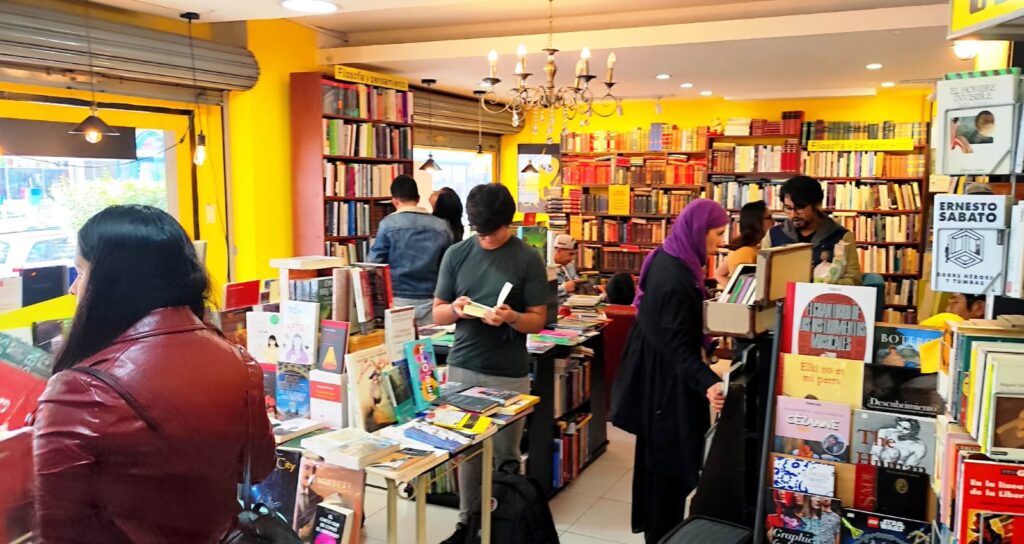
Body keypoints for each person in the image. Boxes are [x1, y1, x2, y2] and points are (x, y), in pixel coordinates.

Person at [32, 205, 274, 543]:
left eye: (81, 271)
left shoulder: (80, 391)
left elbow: (59, 531)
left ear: (112, 282)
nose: (74, 288)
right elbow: (258, 467)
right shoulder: (239, 363)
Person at [432, 183, 549, 544]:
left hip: (508, 372)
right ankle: (467, 525)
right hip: (463, 366)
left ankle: (505, 526)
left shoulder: (527, 258)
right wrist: (456, 309)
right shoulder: (456, 254)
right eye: (479, 232)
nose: (485, 239)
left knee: (505, 455)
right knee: (468, 452)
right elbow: (438, 312)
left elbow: (538, 320)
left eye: (491, 233)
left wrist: (512, 317)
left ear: (507, 223)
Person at [611, 199, 728, 543]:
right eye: (718, 233)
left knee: (658, 472)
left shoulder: (670, 257)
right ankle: (663, 535)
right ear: (699, 230)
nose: (721, 242)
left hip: (657, 382)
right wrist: (708, 382)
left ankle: (660, 533)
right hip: (665, 390)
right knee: (668, 473)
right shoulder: (675, 276)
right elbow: (675, 343)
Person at [369, 175, 453, 326]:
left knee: (400, 341)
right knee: (430, 341)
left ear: (395, 201)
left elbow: (374, 264)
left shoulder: (387, 225)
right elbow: (449, 266)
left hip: (398, 300)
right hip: (432, 299)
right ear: (418, 198)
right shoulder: (441, 226)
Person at [762, 176, 862, 285]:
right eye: (788, 208)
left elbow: (854, 280)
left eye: (800, 208)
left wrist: (821, 282)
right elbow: (762, 276)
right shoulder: (773, 235)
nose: (793, 214)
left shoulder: (842, 237)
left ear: (816, 205)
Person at [715, 200, 773, 287]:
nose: (773, 222)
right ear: (757, 222)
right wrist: (735, 292)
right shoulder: (746, 252)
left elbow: (719, 274)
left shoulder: (746, 248)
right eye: (769, 217)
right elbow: (745, 287)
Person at [552, 233, 581, 305]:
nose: (572, 259)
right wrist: (563, 288)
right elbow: (539, 295)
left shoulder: (569, 266)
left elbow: (576, 283)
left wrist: (593, 288)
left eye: (574, 254)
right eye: (570, 254)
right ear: (558, 251)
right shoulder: (544, 268)